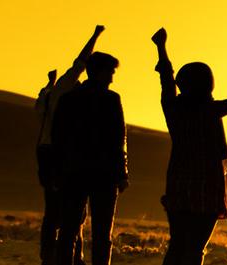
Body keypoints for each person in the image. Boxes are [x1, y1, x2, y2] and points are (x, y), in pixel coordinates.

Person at [151, 29, 227, 265]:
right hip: (208, 182)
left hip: (178, 181)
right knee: (195, 247)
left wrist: (161, 46)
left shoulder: (173, 108)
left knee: (178, 244)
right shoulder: (210, 110)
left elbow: (166, 79)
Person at [34, 25, 102, 265]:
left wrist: (48, 85)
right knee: (65, 211)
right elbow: (80, 63)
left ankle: (59, 257)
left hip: (49, 155)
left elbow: (40, 107)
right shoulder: (65, 90)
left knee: (63, 210)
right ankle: (65, 258)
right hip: (58, 156)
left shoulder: (51, 95)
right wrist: (94, 35)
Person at [51, 47, 126, 265]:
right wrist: (122, 173)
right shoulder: (111, 100)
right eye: (110, 72)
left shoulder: (68, 100)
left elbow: (58, 138)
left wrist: (58, 171)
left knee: (69, 230)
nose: (112, 78)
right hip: (102, 175)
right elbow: (118, 139)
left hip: (74, 173)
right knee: (101, 234)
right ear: (99, 72)